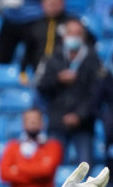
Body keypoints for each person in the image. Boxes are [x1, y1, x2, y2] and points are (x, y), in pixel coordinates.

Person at [36, 19, 104, 165]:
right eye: (70, 32)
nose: (74, 36)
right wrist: (57, 79)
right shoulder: (52, 59)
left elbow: (97, 94)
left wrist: (79, 115)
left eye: (78, 33)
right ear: (63, 35)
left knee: (85, 168)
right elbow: (41, 85)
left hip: (84, 124)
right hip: (57, 122)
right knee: (54, 166)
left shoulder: (93, 61)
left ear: (84, 37)